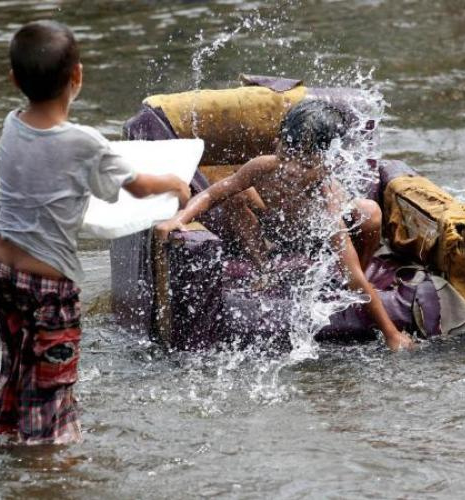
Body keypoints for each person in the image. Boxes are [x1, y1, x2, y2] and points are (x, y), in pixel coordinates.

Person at [0, 20, 191, 444]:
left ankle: (0, 433)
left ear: (13, 80)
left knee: (17, 369)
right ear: (77, 76)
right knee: (52, 394)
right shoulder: (85, 142)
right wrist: (175, 181)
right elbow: (135, 187)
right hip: (47, 287)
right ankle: (51, 472)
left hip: (1, 274)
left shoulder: (9, 124)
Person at [155, 100, 413, 351]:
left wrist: (391, 333)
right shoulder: (264, 167)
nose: (291, 169)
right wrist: (180, 218)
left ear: (328, 165)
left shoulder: (326, 202)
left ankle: (351, 274)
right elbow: (213, 194)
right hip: (273, 229)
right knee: (235, 191)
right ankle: (262, 268)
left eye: (306, 164)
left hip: (318, 239)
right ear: (277, 143)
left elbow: (355, 275)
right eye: (287, 154)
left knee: (370, 213)